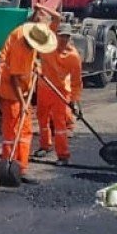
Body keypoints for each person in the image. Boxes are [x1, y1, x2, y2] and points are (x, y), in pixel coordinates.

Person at [0, 5, 59, 177]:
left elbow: (57, 18)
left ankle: (19, 167)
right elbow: (14, 77)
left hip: (19, 88)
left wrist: (35, 65)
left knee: (23, 130)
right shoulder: (20, 45)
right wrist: (23, 103)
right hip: (11, 91)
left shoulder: (31, 32)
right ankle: (14, 167)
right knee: (15, 131)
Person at [34, 24, 85, 163]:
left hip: (60, 92)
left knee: (60, 124)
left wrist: (75, 101)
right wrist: (36, 65)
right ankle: (45, 145)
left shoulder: (73, 57)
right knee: (42, 118)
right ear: (55, 36)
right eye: (61, 36)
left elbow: (76, 82)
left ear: (70, 38)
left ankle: (63, 155)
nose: (63, 39)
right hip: (44, 87)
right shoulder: (47, 48)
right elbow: (33, 51)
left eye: (66, 37)